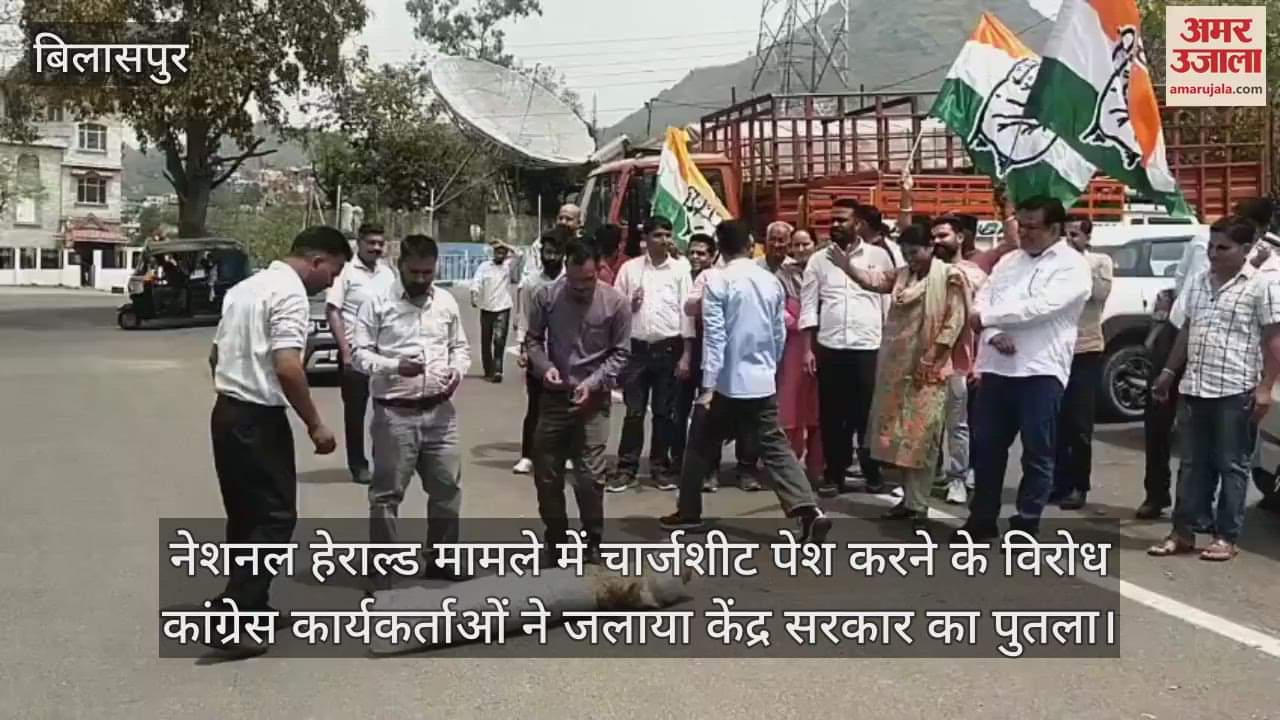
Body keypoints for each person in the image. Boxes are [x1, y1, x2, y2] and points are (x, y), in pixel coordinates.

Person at [205, 226, 349, 653]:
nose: (331, 283)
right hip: (258, 417)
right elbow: (287, 365)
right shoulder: (290, 295)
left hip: (227, 411)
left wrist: (235, 385)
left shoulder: (244, 289)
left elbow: (215, 355)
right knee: (275, 517)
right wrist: (315, 424)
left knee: (245, 516)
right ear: (317, 261)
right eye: (333, 272)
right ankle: (231, 613)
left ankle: (253, 606)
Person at [659, 220, 831, 542]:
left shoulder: (717, 280)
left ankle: (689, 511)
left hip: (725, 383)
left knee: (698, 445)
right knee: (776, 447)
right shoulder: (769, 281)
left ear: (719, 249)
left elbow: (715, 338)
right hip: (760, 380)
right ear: (751, 246)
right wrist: (770, 367)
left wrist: (708, 386)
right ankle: (807, 509)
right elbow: (778, 333)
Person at [958, 196, 1091, 541]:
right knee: (986, 448)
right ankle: (982, 519)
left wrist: (988, 318)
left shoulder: (1072, 266)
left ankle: (1026, 523)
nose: (1025, 233)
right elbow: (982, 300)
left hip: (1040, 369)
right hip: (997, 368)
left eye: (1033, 227)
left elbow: (1041, 307)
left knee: (1037, 452)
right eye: (1022, 226)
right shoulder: (1009, 262)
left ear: (1055, 228)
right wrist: (993, 331)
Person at [1147, 217, 1280, 562]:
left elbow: (1273, 340)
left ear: (1246, 249)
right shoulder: (1199, 282)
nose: (1213, 254)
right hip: (1195, 388)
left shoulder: (1261, 287)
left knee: (1231, 465)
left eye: (1223, 248)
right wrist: (1168, 372)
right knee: (1191, 465)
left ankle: (1226, 537)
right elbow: (1188, 329)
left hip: (1236, 391)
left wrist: (1265, 388)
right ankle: (1183, 533)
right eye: (1210, 247)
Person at [353, 235, 471, 584]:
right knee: (387, 495)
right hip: (395, 415)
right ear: (399, 265)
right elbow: (358, 355)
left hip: (440, 413)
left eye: (428, 273)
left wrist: (457, 371)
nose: (421, 279)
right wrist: (394, 366)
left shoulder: (445, 302)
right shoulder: (376, 303)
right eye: (414, 272)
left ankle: (441, 560)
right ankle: (382, 569)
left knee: (447, 489)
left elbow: (460, 348)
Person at [844, 224, 969, 524]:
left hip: (929, 369)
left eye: (914, 252)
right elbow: (874, 281)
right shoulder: (902, 276)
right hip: (896, 368)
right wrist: (847, 266)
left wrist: (932, 356)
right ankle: (909, 500)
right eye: (905, 253)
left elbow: (954, 321)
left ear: (929, 248)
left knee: (922, 438)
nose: (910, 258)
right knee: (900, 439)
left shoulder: (949, 277)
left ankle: (919, 504)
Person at [524, 240, 631, 562]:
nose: (581, 287)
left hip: (593, 401)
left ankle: (593, 541)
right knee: (547, 474)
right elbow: (533, 340)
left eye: (588, 280)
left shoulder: (616, 303)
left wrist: (593, 382)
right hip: (554, 397)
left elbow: (621, 353)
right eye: (574, 280)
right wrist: (544, 367)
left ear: (599, 270)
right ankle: (555, 539)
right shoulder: (547, 296)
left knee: (590, 477)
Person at [801, 198, 895, 497]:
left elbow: (888, 302)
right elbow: (808, 305)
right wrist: (808, 349)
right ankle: (834, 474)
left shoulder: (878, 256)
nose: (835, 225)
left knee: (867, 415)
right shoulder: (819, 260)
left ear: (858, 224)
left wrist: (889, 345)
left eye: (842, 219)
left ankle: (872, 471)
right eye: (832, 220)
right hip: (830, 346)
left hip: (868, 346)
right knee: (832, 416)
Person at [610, 215, 694, 492]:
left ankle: (660, 467)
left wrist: (686, 354)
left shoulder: (680, 270)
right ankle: (626, 468)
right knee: (634, 412)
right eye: (658, 235)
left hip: (669, 348)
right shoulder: (630, 269)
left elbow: (687, 313)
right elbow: (614, 308)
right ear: (645, 238)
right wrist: (629, 303)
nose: (664, 240)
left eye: (668, 235)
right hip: (636, 350)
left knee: (663, 413)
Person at [1050, 217, 1114, 511]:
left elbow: (1098, 294)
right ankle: (1058, 482)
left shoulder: (1099, 261)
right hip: (1056, 350)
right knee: (1055, 421)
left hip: (1085, 349)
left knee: (1079, 422)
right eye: (1065, 234)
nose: (1069, 239)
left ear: (1087, 237)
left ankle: (1079, 484)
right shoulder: (1054, 263)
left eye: (1075, 234)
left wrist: (1074, 260)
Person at [326, 223, 396, 485]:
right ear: (359, 243)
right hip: (355, 354)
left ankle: (385, 461)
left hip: (383, 355)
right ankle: (358, 465)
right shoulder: (345, 272)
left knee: (387, 412)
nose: (376, 248)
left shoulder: (387, 273)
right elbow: (333, 310)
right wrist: (345, 351)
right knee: (355, 414)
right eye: (371, 243)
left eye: (380, 243)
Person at [928, 215, 987, 505]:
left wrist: (979, 363)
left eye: (943, 236)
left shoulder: (974, 274)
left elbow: (980, 320)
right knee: (925, 424)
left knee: (957, 425)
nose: (937, 242)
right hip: (926, 360)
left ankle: (958, 479)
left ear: (960, 238)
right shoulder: (926, 271)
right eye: (934, 237)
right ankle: (924, 477)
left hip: (959, 361)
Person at [512, 229, 568, 475]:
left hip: (566, 353)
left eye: (556, 253)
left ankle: (565, 454)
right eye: (547, 252)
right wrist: (523, 348)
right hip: (538, 351)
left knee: (565, 406)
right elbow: (523, 316)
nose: (551, 257)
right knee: (535, 405)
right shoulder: (531, 283)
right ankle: (528, 455)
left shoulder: (570, 281)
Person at [672, 232, 719, 490]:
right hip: (680, 348)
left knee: (709, 412)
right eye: (692, 252)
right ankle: (679, 465)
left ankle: (709, 469)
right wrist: (685, 354)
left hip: (708, 350)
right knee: (678, 412)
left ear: (713, 256)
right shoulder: (680, 276)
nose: (695, 257)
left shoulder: (717, 280)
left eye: (701, 253)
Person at [470, 243, 513, 382]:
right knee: (486, 340)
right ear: (494, 253)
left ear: (506, 254)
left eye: (503, 252)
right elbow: (476, 281)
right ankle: (488, 369)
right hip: (486, 307)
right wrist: (474, 295)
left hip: (503, 307)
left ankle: (498, 370)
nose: (500, 255)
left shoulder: (508, 266)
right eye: (498, 252)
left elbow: (520, 254)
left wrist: (504, 244)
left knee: (499, 340)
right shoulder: (485, 266)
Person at [854, 203, 906, 269]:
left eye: (855, 223)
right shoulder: (853, 246)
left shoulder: (892, 250)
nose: (851, 227)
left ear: (863, 224)